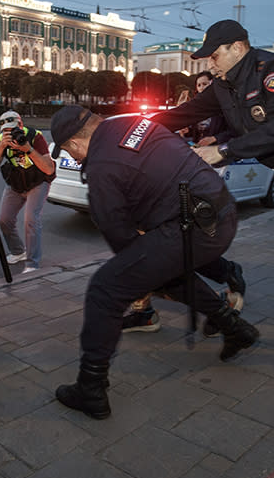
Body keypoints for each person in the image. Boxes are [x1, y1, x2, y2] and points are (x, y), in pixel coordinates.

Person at [150, 20, 274, 369]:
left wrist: (223, 151)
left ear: (237, 48)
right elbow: (184, 113)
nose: (209, 65)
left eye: (214, 56)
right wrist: (134, 125)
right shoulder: (222, 85)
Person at [49, 105, 260, 420]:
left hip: (193, 227)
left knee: (105, 289)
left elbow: (121, 240)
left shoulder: (102, 165)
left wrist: (139, 274)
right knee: (163, 270)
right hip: (221, 212)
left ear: (75, 144)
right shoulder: (136, 123)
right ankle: (235, 328)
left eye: (71, 153)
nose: (76, 159)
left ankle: (90, 387)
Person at [123, 70, 247, 337]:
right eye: (199, 84)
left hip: (211, 170)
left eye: (207, 84)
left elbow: (239, 134)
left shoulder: (227, 107)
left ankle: (221, 296)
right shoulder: (195, 109)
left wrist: (216, 142)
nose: (202, 88)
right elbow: (175, 128)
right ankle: (144, 309)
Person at [0, 111, 55, 274]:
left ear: (21, 125)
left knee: (31, 219)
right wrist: (2, 146)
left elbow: (48, 168)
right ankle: (18, 252)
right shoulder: (2, 140)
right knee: (4, 220)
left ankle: (32, 263)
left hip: (38, 182)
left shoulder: (34, 137)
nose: (11, 134)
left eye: (14, 129)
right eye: (6, 131)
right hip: (16, 184)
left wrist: (28, 149)